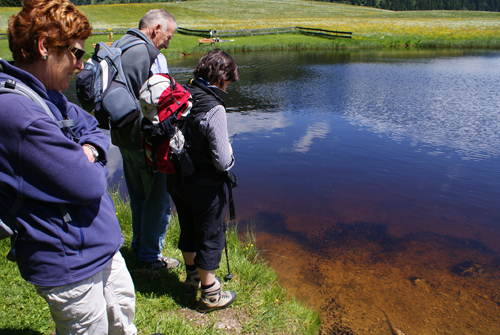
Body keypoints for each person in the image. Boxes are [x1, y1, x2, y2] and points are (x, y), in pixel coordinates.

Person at [0, 0, 138, 333]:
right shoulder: (19, 113)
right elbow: (88, 184)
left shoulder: (47, 94)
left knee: (123, 322)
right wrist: (87, 158)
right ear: (44, 46)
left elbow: (91, 126)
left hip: (98, 247)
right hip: (70, 261)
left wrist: (86, 150)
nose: (81, 66)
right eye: (76, 53)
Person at [167, 49, 240, 312]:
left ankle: (192, 277)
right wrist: (231, 157)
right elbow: (222, 161)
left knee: (187, 227)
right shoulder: (214, 108)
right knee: (210, 235)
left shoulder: (182, 95)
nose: (227, 89)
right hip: (205, 186)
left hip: (176, 177)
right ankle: (210, 294)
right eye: (227, 83)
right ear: (220, 78)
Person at [111, 9, 179, 270]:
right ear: (156, 28)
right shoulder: (151, 55)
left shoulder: (119, 46)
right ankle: (150, 258)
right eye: (168, 36)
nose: (168, 43)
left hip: (122, 138)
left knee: (138, 196)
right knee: (157, 201)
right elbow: (161, 101)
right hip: (147, 142)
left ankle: (139, 248)